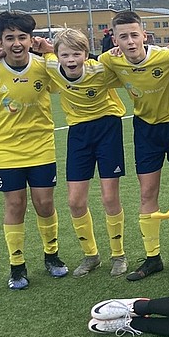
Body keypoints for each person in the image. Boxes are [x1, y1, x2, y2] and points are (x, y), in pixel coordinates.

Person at [0, 10, 66, 289]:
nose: (16, 43)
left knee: (44, 203)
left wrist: (50, 51)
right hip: (7, 149)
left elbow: (67, 78)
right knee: (15, 204)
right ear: (0, 41)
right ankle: (17, 265)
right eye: (9, 38)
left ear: (31, 39)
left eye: (22, 37)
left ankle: (52, 256)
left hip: (41, 146)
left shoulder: (44, 67)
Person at [100, 11, 169, 280]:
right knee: (147, 192)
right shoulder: (110, 60)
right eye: (123, 37)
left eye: (134, 35)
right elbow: (81, 63)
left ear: (144, 35)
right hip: (145, 130)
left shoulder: (167, 56)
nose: (130, 41)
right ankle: (153, 258)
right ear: (115, 41)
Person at [42, 29, 130, 277]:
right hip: (78, 133)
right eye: (65, 55)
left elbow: (130, 68)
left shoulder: (100, 69)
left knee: (109, 197)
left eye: (76, 54)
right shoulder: (51, 65)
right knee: (75, 201)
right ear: (57, 55)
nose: (71, 60)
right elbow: (35, 52)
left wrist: (120, 52)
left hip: (107, 127)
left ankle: (118, 255)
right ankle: (91, 255)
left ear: (86, 54)